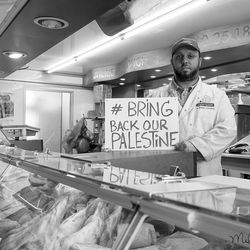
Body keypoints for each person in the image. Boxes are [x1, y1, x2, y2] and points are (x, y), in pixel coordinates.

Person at [149, 38, 237, 176]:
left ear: (200, 61)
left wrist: (193, 147)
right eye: (179, 57)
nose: (185, 61)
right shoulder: (154, 97)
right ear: (172, 62)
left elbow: (228, 130)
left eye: (191, 56)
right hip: (162, 174)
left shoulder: (218, 96)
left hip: (204, 176)